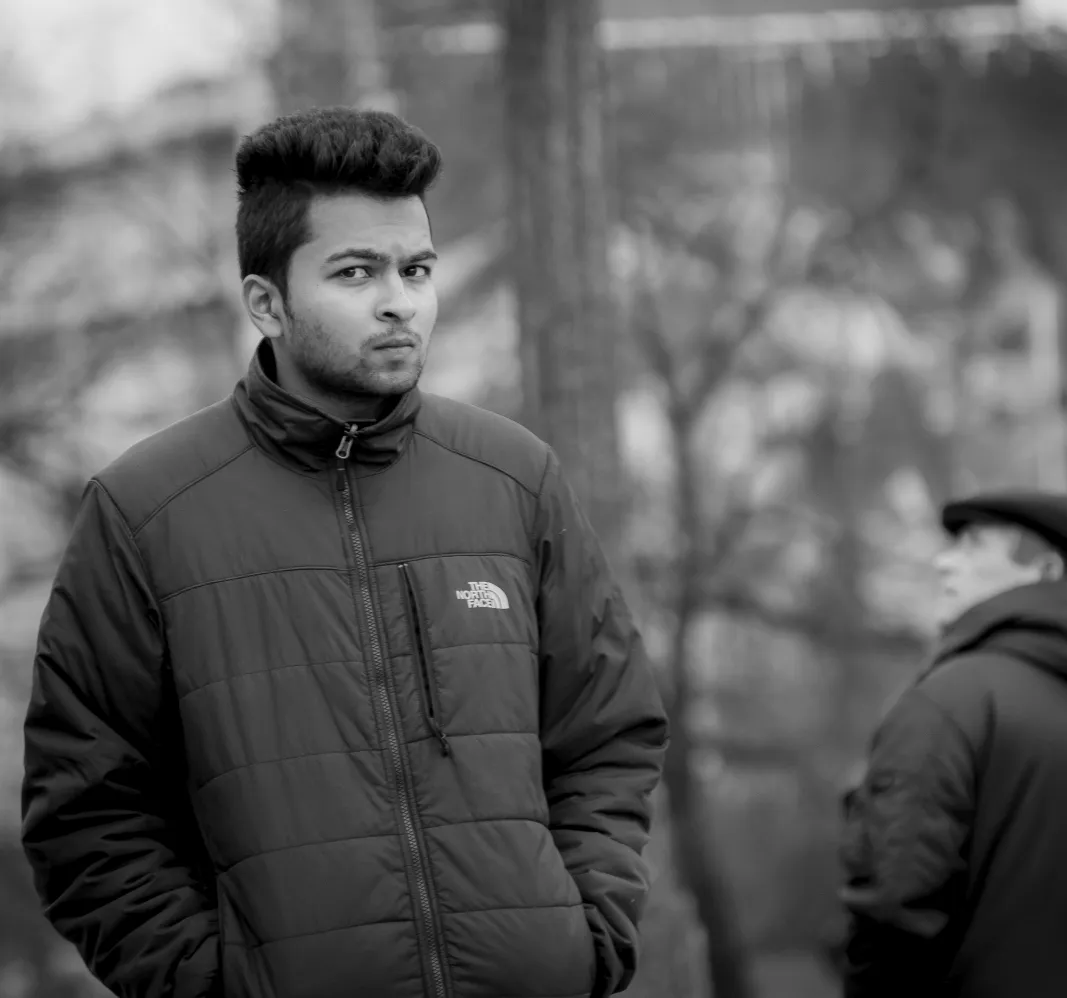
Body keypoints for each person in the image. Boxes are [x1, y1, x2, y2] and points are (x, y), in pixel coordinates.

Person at [21, 106, 668, 998]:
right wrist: (213, 985)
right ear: (267, 302)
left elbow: (608, 733)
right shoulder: (144, 511)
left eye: (417, 269)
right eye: (356, 272)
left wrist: (586, 934)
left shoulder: (514, 479)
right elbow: (87, 810)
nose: (399, 299)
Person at [838, 488, 1067, 998]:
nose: (945, 563)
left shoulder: (948, 702)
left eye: (973, 546)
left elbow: (893, 906)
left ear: (1046, 568)